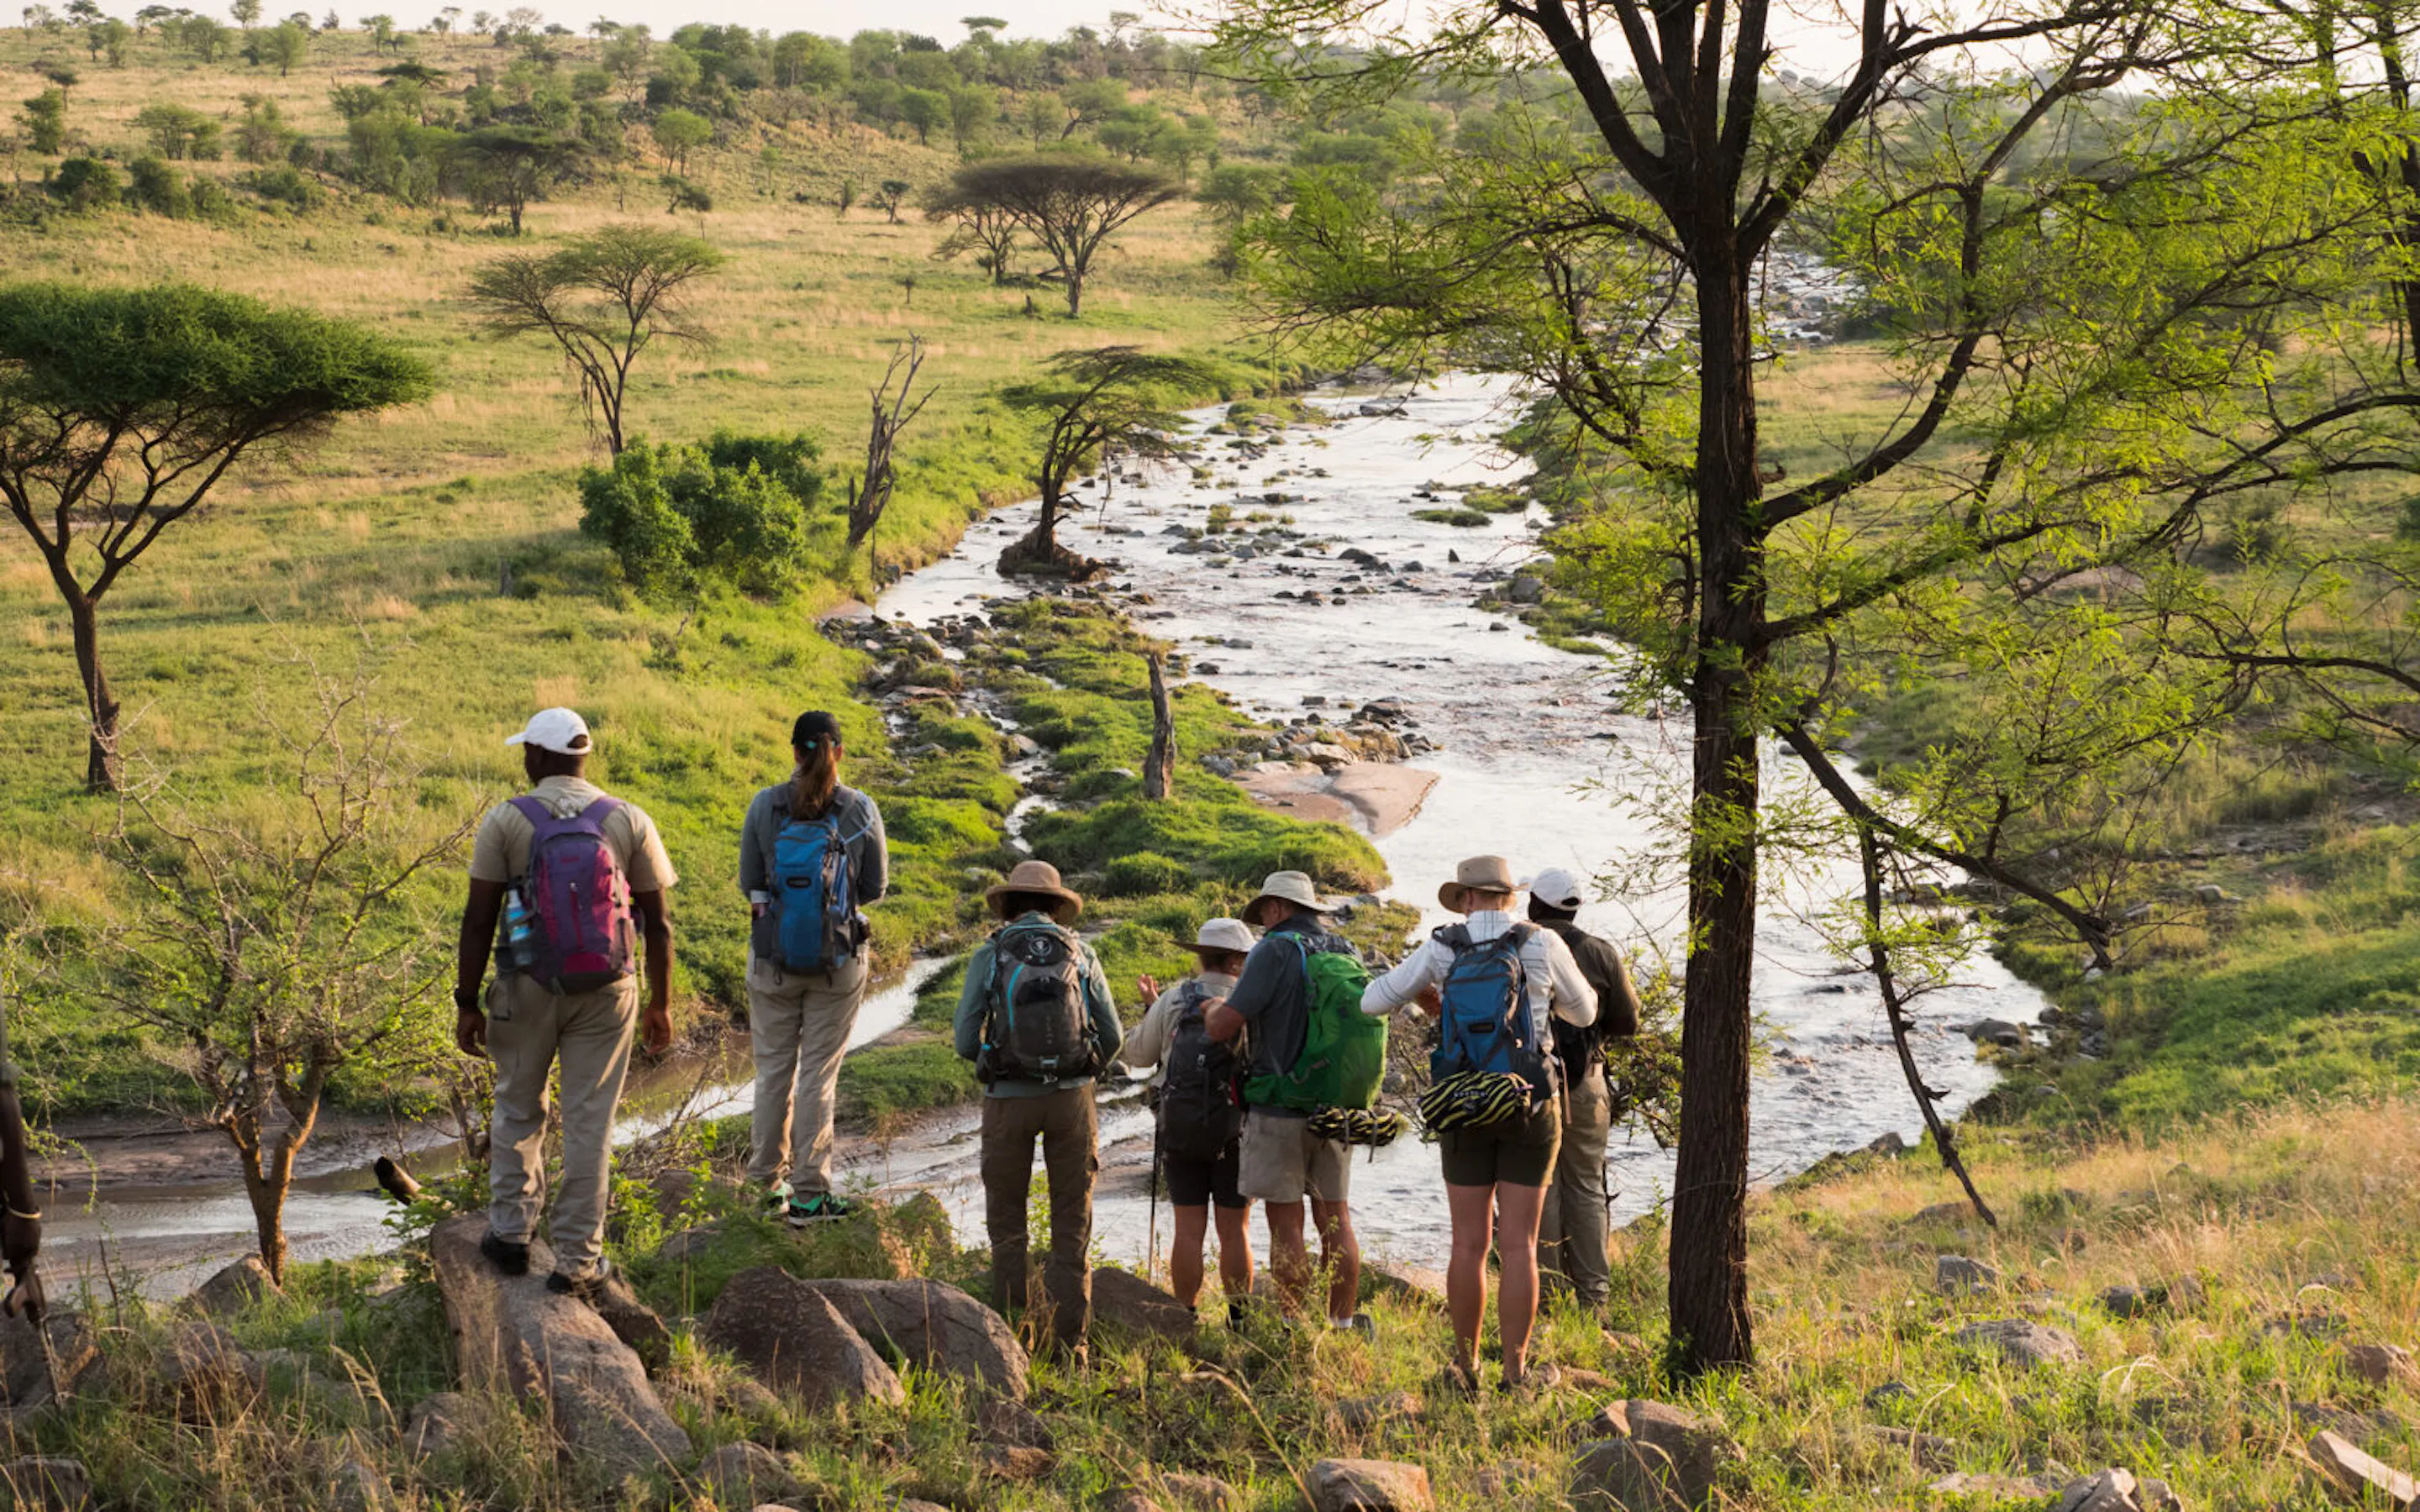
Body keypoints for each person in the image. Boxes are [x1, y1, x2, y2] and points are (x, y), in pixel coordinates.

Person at [455, 707, 676, 1301]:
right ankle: (578, 1260)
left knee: (518, 1108)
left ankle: (510, 1235)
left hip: (525, 989)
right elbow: (658, 924)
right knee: (589, 1123)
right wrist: (661, 1003)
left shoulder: (506, 820)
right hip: (609, 993)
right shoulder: (627, 818)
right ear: (583, 755)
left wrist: (466, 1001)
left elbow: (479, 919)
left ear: (538, 757)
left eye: (526, 750)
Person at [1362, 856, 1596, 1394]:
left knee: (1467, 1244)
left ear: (1466, 898)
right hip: (1529, 1102)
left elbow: (1371, 1000)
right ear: (1509, 898)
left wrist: (1432, 1001)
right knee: (1520, 1245)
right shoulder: (1540, 942)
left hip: (1461, 1105)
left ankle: (1465, 1370)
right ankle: (1516, 1373)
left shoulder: (1443, 947)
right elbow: (1585, 1013)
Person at [954, 860, 1122, 1357]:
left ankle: (1011, 1342)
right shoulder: (1082, 952)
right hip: (1072, 1102)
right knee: (1071, 1223)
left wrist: (995, 1061)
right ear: (1056, 907)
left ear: (1008, 905)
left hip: (1008, 1100)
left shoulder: (990, 953)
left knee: (1008, 1223)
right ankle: (1072, 1349)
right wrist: (1080, 1070)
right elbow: (1112, 1036)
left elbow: (965, 1038)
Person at [738, 711, 890, 1226]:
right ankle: (810, 1194)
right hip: (838, 963)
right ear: (838, 752)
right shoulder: (860, 808)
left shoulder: (765, 805)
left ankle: (764, 1188)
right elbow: (875, 888)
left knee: (772, 1072)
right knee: (818, 1078)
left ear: (794, 751)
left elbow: (749, 880)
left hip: (772, 959)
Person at [1203, 871, 1370, 1335]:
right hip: (1336, 1106)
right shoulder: (1346, 950)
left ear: (1276, 908)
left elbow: (1225, 1025)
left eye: (1264, 915)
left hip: (1279, 1105)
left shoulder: (1272, 950)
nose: (1263, 924)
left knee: (1286, 1223)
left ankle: (1293, 1327)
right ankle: (1340, 1324)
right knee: (1335, 1217)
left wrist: (1210, 1010)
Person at [1119, 917, 1257, 1325]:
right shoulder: (1250, 1000)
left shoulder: (1176, 999)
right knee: (1235, 1230)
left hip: (1179, 1128)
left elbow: (1138, 1056)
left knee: (1188, 1229)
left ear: (1202, 957)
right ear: (1238, 960)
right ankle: (1240, 1321)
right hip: (1236, 1130)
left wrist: (1152, 1009)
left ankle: (1186, 1319)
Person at [1525, 867, 1644, 1310]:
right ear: (1574, 910)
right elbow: (1627, 1022)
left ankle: (1549, 1299)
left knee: (1543, 1187)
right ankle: (1595, 1297)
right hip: (1588, 1084)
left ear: (1535, 905)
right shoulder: (1600, 952)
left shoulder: (1522, 947)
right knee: (1588, 1187)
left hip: (1534, 1086)